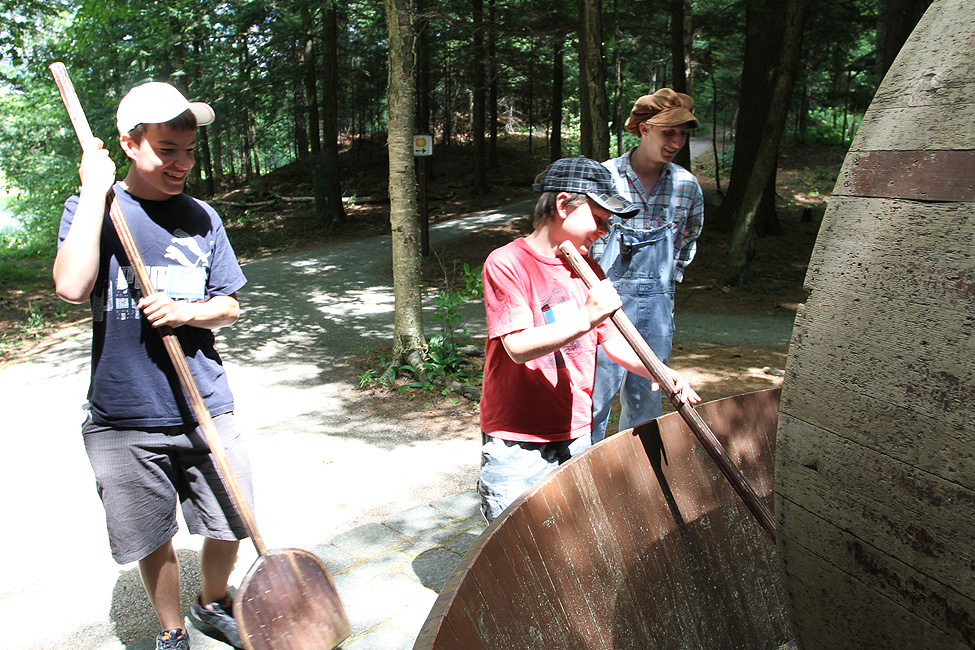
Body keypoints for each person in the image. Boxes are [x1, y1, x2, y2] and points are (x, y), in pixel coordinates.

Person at [54, 82, 252, 650]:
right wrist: (94, 192)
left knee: (232, 517)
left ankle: (212, 603)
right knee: (150, 534)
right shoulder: (97, 209)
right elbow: (72, 286)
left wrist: (187, 311)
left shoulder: (202, 216)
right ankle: (171, 632)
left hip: (204, 403)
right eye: (168, 149)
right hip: (122, 412)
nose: (182, 163)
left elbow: (230, 305)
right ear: (128, 143)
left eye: (188, 150)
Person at [477, 156, 701, 522]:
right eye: (598, 220)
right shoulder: (508, 262)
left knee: (567, 531)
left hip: (575, 429)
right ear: (563, 204)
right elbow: (516, 347)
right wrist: (586, 317)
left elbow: (612, 342)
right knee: (511, 534)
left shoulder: (588, 270)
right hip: (517, 437)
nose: (603, 231)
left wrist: (661, 371)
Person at [589, 88, 705, 443]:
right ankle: (581, 477)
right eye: (669, 132)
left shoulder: (686, 186)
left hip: (657, 313)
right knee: (593, 402)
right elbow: (586, 239)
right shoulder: (605, 177)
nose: (677, 141)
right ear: (643, 129)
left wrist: (666, 288)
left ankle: (635, 484)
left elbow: (687, 242)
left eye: (683, 134)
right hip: (602, 308)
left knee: (646, 405)